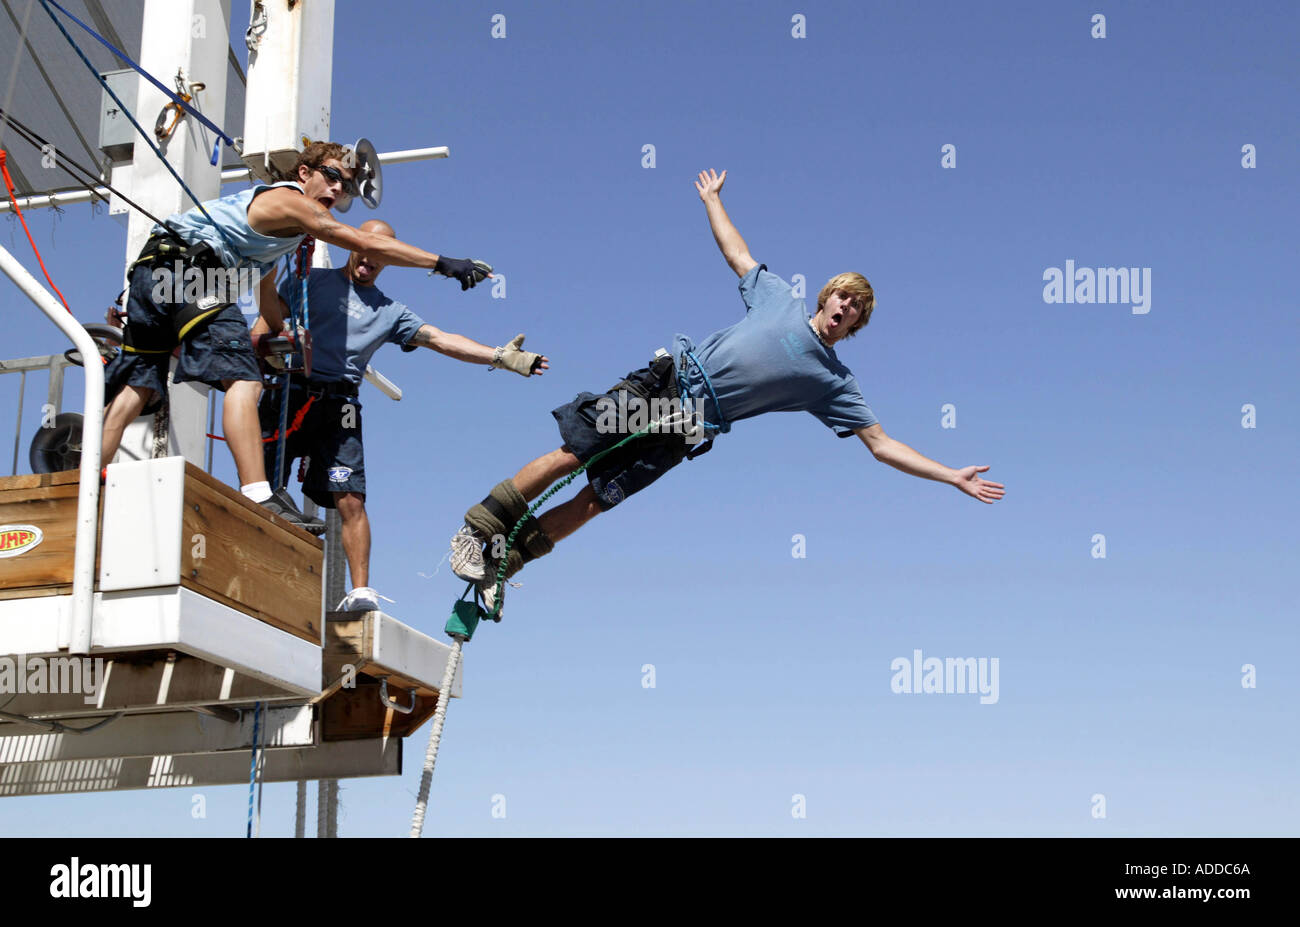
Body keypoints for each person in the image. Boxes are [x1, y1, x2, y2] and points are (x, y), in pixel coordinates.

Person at [449, 169, 1006, 614]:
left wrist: (949, 475)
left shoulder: (834, 383)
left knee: (597, 500)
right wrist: (713, 201)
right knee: (576, 452)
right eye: (844, 298)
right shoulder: (779, 298)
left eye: (857, 311)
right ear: (826, 296)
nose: (846, 310)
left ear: (855, 328)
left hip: (689, 429)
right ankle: (481, 528)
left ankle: (505, 562)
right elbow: (738, 254)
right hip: (667, 382)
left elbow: (882, 445)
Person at [99, 141, 493, 529]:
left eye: (347, 186)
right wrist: (443, 263)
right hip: (189, 270)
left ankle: (88, 470)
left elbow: (266, 300)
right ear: (304, 174)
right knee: (244, 380)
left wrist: (278, 331)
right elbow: (364, 241)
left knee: (140, 385)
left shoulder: (277, 233)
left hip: (157, 274)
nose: (339, 190)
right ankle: (258, 493)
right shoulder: (290, 200)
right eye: (333, 176)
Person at [254, 219, 548, 611]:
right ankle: (255, 565)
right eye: (366, 248)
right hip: (290, 392)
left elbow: (442, 340)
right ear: (351, 246)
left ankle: (360, 593)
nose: (370, 260)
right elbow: (261, 332)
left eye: (381, 255)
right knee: (264, 485)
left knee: (352, 499)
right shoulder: (308, 283)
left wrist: (498, 357)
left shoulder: (390, 312)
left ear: (388, 261)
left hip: (339, 408)